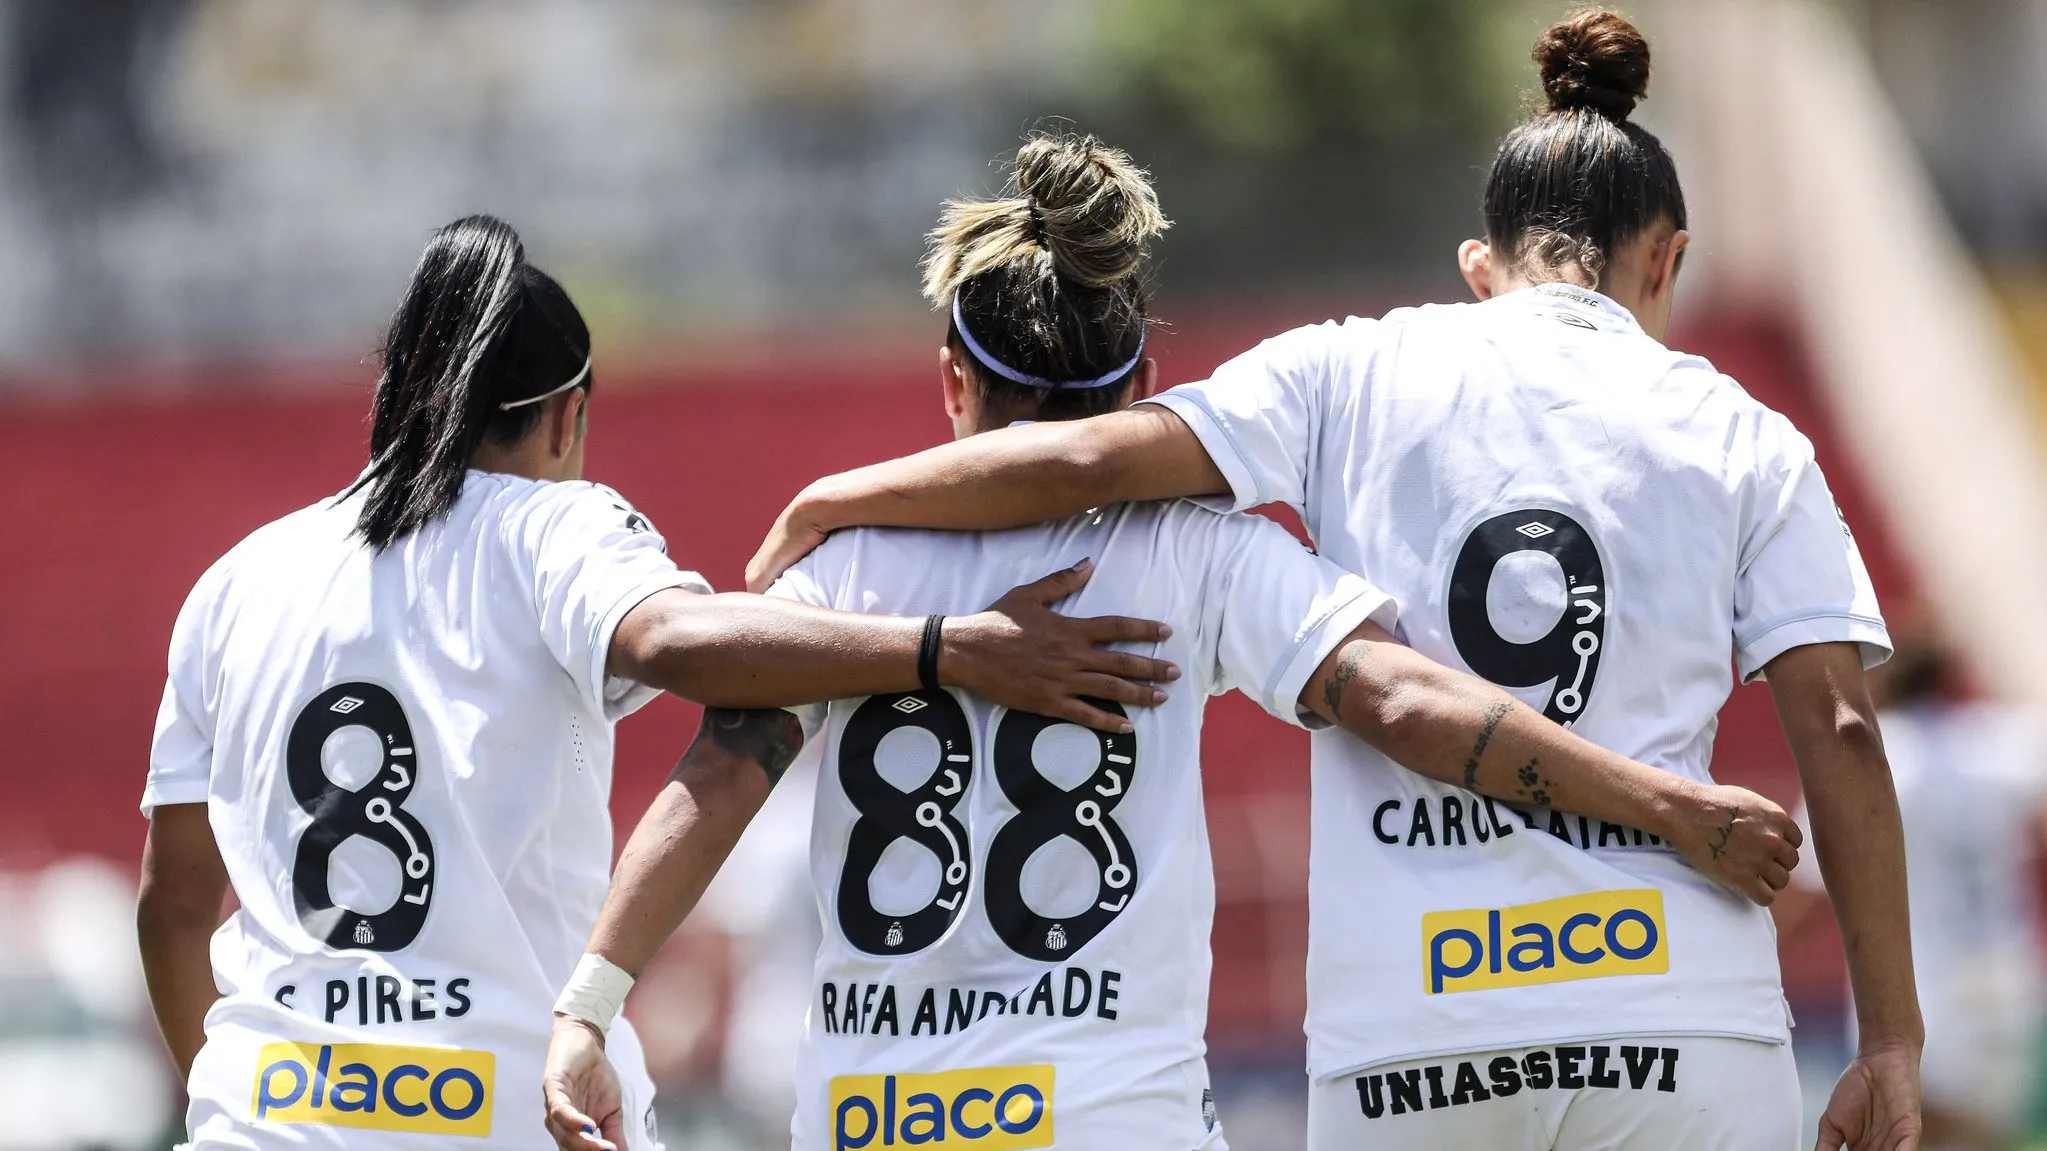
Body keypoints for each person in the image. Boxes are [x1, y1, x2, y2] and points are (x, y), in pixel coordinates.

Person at [746, 14, 1925, 1150]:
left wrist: (835, 496)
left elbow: (1091, 457)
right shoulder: (1745, 434)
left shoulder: (1346, 368)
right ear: (1667, 261)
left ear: (1478, 267)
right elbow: (1838, 726)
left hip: (1409, 1042)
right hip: (1680, 1021)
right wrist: (1889, 1040)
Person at [544, 133, 1803, 1151]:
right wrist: (1664, 804)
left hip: (873, 1121)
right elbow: (1408, 703)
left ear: (951, 383)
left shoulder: (837, 571)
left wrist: (588, 1007)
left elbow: (716, 776)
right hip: (1113, 1117)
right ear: (1143, 381)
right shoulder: (1199, 551)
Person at [133, 214, 1182, 1150]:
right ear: (564, 418)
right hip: (506, 1109)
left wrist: (225, 1102)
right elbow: (680, 640)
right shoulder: (550, 525)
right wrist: (947, 645)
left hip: (255, 1118)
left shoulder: (233, 582)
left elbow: (172, 902)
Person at [1778, 629, 2046, 1151]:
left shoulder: (1878, 755)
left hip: (1922, 989)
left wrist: (1764, 955)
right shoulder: (2002, 745)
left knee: (1917, 1136)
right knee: (1985, 1137)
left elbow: (1809, 884)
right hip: (2009, 980)